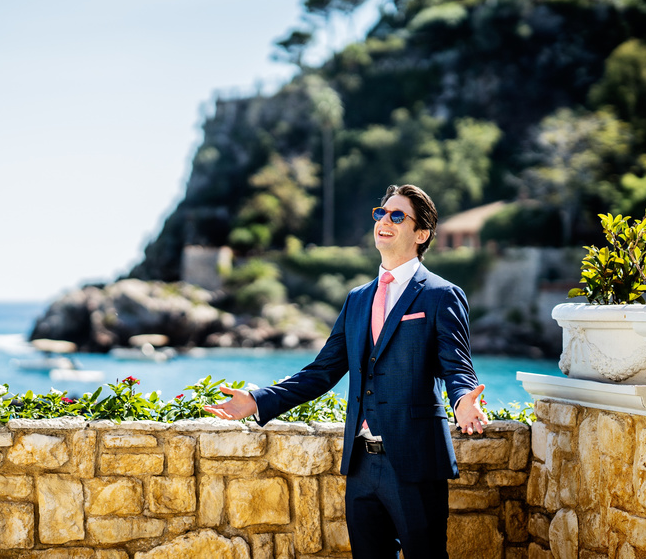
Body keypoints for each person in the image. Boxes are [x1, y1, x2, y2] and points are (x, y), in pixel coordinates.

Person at [204, 184, 488, 559]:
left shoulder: (441, 294)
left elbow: (457, 366)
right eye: (381, 213)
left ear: (421, 235)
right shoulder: (357, 299)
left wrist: (464, 401)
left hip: (416, 461)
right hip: (361, 466)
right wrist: (258, 401)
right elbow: (322, 371)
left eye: (397, 215)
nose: (384, 220)